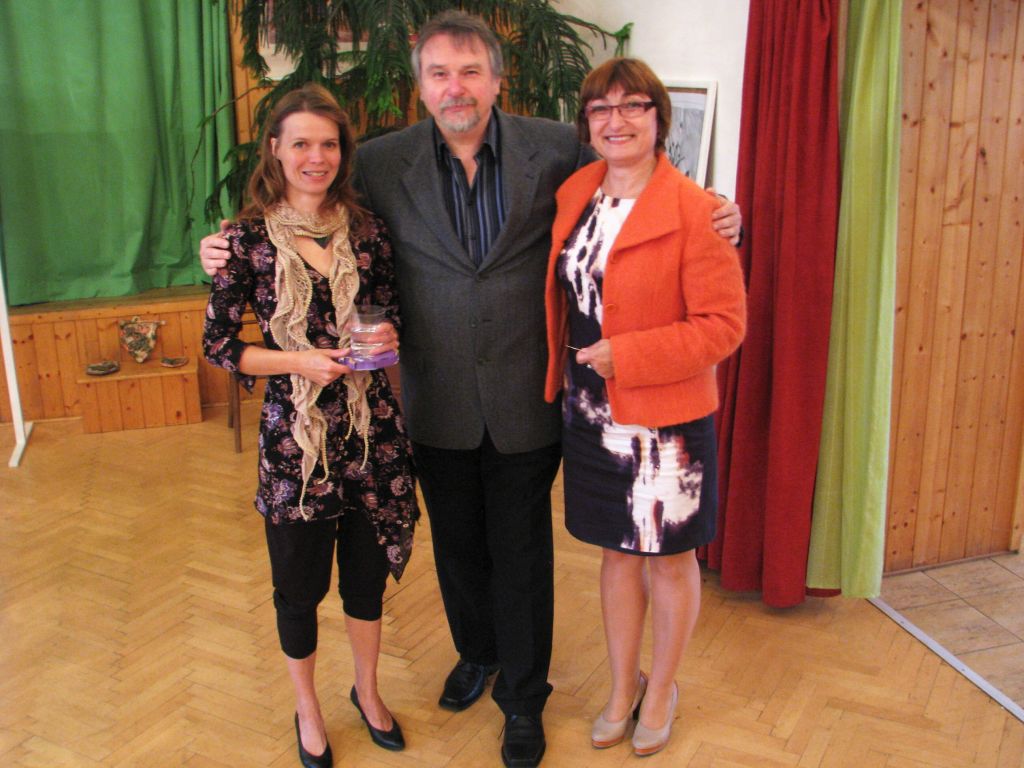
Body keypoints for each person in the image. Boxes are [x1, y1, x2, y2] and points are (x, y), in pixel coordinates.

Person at [201, 12, 741, 767]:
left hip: (527, 395)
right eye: (439, 74)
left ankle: (523, 698)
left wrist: (719, 208)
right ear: (421, 86)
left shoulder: (555, 148)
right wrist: (221, 242)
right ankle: (477, 653)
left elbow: (636, 177)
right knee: (456, 548)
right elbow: (308, 203)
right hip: (436, 395)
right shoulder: (381, 162)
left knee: (521, 554)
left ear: (496, 80)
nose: (455, 87)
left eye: (470, 72)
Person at [202, 83, 418, 768]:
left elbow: (392, 315)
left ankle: (367, 691)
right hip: (295, 444)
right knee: (298, 588)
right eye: (301, 143)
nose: (316, 157)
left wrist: (386, 338)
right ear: (276, 149)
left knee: (364, 579)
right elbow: (220, 345)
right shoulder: (243, 241)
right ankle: (307, 707)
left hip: (372, 433)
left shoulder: (368, 231)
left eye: (328, 144)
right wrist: (297, 360)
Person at [543, 58, 747, 756]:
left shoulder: (697, 211)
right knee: (617, 555)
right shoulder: (576, 192)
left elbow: (723, 327)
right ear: (587, 124)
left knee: (667, 559)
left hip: (667, 422)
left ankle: (661, 690)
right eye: (601, 108)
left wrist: (628, 355)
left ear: (659, 118)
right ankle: (620, 687)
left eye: (633, 105)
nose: (617, 120)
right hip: (591, 412)